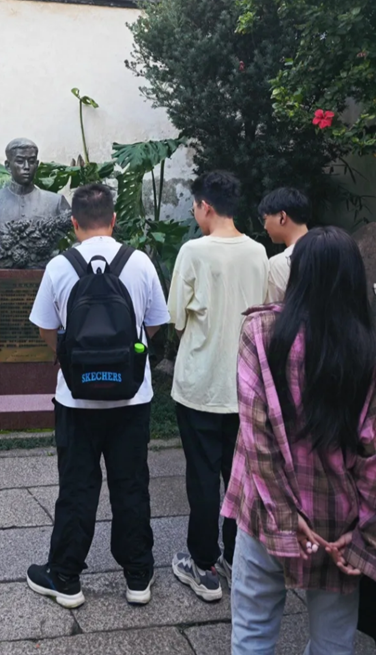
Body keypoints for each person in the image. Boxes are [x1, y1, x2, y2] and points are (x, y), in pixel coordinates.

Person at [223, 226, 376, 654]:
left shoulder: (261, 331)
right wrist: (364, 536)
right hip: (338, 526)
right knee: (333, 643)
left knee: (252, 633)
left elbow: (256, 438)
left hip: (264, 514)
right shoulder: (367, 349)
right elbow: (371, 456)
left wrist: (286, 517)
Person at [26, 182, 170, 608]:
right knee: (131, 484)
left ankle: (65, 577)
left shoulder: (59, 266)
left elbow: (46, 329)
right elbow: (155, 324)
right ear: (113, 220)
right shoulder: (139, 262)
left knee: (77, 486)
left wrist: (73, 360)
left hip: (76, 401)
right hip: (132, 398)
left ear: (74, 223)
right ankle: (138, 576)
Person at [168, 171, 268, 602]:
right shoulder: (259, 252)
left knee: (203, 477)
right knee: (239, 479)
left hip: (200, 385)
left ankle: (203, 564)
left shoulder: (194, 251)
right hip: (246, 386)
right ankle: (235, 558)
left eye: (195, 206)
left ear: (205, 206)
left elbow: (176, 316)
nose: (195, 212)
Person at [0, 138, 70, 266]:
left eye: (31, 161)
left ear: (37, 164)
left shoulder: (57, 203)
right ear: (8, 166)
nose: (26, 167)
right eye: (20, 161)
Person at [258, 187, 310, 302]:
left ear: (282, 217)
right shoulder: (333, 249)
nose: (265, 227)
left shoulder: (280, 263)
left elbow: (273, 309)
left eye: (265, 219)